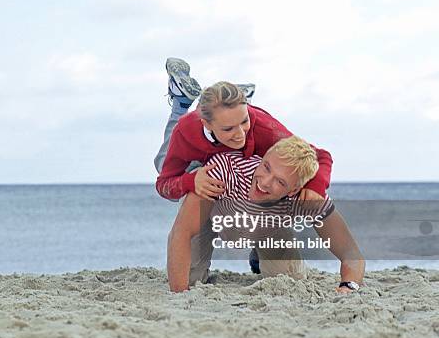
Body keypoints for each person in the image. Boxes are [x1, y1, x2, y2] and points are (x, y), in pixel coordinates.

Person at [166, 136, 365, 293]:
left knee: (288, 283)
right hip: (212, 216)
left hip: (268, 228)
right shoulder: (224, 170)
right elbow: (181, 232)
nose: (265, 182)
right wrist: (179, 295)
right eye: (266, 167)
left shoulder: (305, 199)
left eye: (280, 182)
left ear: (294, 190)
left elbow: (351, 254)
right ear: (263, 157)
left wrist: (349, 286)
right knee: (188, 280)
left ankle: (258, 253)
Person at [154, 58, 333, 203]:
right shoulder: (186, 131)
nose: (240, 134)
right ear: (207, 124)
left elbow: (320, 155)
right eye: (229, 128)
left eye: (244, 121)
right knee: (162, 165)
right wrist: (190, 182)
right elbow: (164, 184)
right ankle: (183, 103)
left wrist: (315, 186)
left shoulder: (265, 128)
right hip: (200, 156)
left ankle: (222, 101)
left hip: (236, 152)